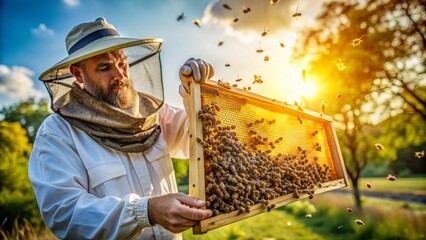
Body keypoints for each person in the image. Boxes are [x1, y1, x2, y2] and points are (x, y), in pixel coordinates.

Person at [28, 17, 215, 239]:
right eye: (105, 67)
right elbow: (64, 213)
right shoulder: (57, 133)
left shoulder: (152, 113)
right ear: (78, 74)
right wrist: (145, 211)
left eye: (122, 63)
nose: (120, 75)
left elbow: (199, 139)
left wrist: (194, 95)